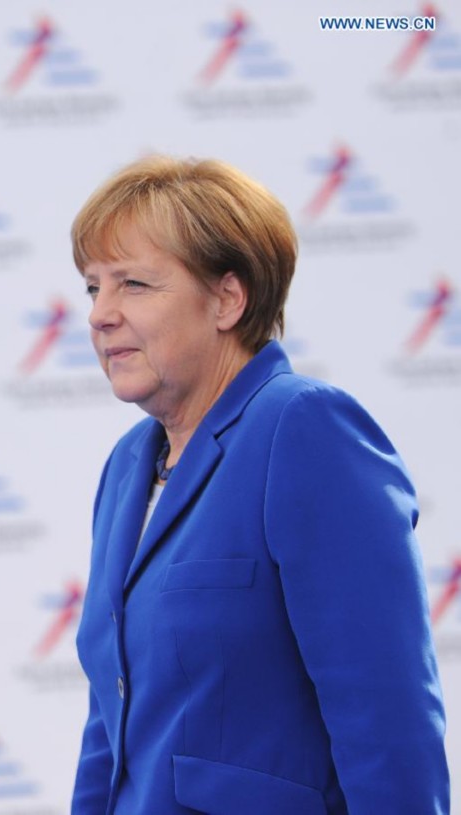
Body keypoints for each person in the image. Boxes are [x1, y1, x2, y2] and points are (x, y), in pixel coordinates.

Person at [70, 155, 449, 815]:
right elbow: (111, 728)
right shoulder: (127, 465)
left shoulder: (302, 429)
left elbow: (387, 717)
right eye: (92, 287)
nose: (100, 313)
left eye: (132, 283)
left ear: (227, 299)